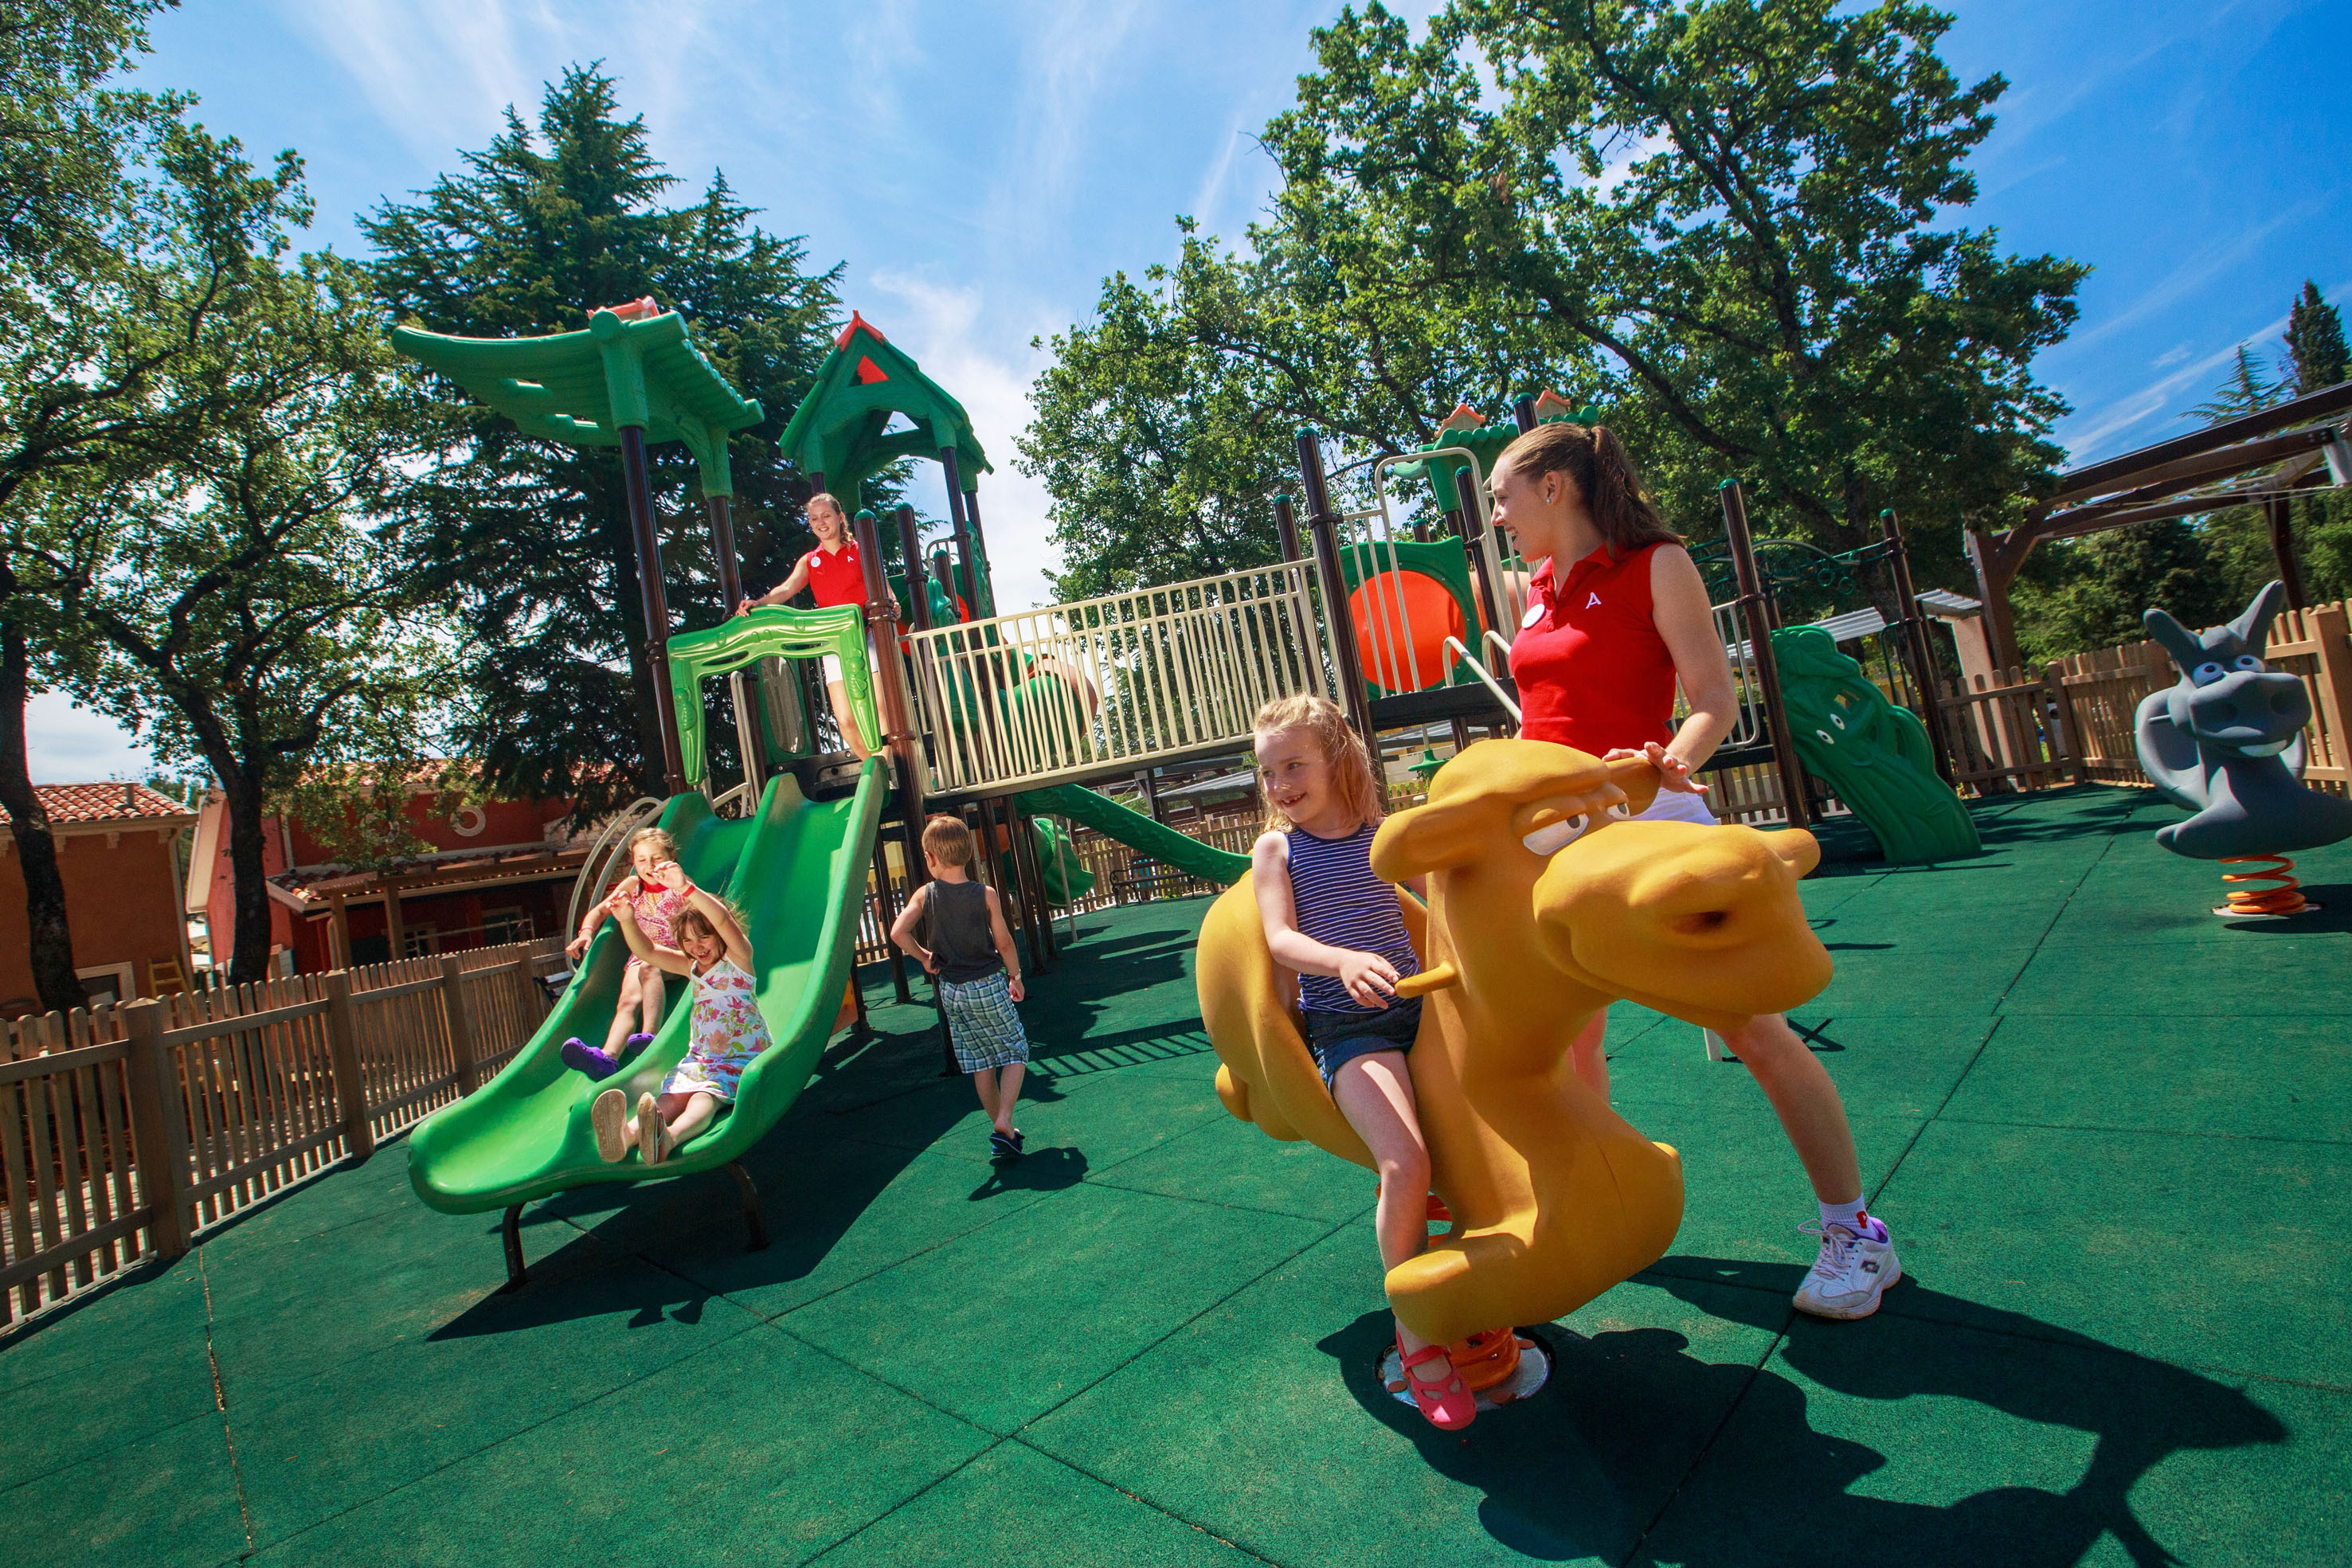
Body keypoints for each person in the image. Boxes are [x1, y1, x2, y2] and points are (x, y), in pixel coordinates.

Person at [1489, 419, 1901, 1321]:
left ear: (1554, 486)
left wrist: (1673, 758)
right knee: (1569, 1041)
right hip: (1555, 835)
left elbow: (1711, 700)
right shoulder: (1534, 587)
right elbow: (1542, 720)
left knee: (1754, 1026)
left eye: (1502, 496)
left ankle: (1856, 1236)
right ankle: (1593, 1204)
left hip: (1647, 815)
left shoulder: (1657, 563)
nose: (1496, 516)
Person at [1249, 694, 1475, 1431]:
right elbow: (1280, 939)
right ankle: (1416, 1335)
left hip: (1421, 1010)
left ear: (1337, 757)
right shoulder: (1278, 849)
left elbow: (1440, 899)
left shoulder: (1385, 835)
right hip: (1349, 1026)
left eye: (1294, 765)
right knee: (1405, 1161)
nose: (1280, 784)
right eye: (1268, 770)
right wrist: (1341, 959)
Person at [588, 863, 770, 1165]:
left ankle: (669, 1138)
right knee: (669, 1096)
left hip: (740, 1059)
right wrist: (627, 921)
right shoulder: (692, 968)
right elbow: (647, 952)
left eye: (704, 937)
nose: (696, 947)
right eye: (687, 940)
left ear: (719, 936)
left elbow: (723, 920)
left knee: (704, 1099)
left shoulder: (739, 960)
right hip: (701, 1059)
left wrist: (686, 888)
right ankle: (626, 1136)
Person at [889, 815, 1032, 1159]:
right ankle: (1005, 1118)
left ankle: (1005, 1134)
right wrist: (1016, 977)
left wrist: (924, 957)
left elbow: (897, 932)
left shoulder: (926, 894)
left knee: (981, 1062)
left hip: (952, 992)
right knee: (1015, 1051)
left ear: (931, 858)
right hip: (986, 984)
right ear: (968, 853)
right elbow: (1004, 943)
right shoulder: (985, 894)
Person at [734, 491, 875, 759]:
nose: (821, 523)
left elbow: (881, 585)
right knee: (845, 720)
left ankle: (887, 765)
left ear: (840, 516)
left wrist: (891, 602)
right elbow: (786, 588)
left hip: (867, 633)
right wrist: (759, 603)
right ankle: (879, 770)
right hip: (834, 641)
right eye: (814, 519)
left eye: (826, 516)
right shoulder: (811, 561)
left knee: (879, 709)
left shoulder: (859, 550)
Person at [560, 827, 690, 1079]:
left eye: (657, 858)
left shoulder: (678, 884)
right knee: (627, 1000)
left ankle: (649, 1036)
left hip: (675, 954)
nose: (649, 866)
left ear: (672, 856)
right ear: (634, 862)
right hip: (641, 955)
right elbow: (599, 912)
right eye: (642, 860)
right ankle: (607, 1058)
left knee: (650, 967)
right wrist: (586, 933)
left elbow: (699, 914)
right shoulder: (633, 886)